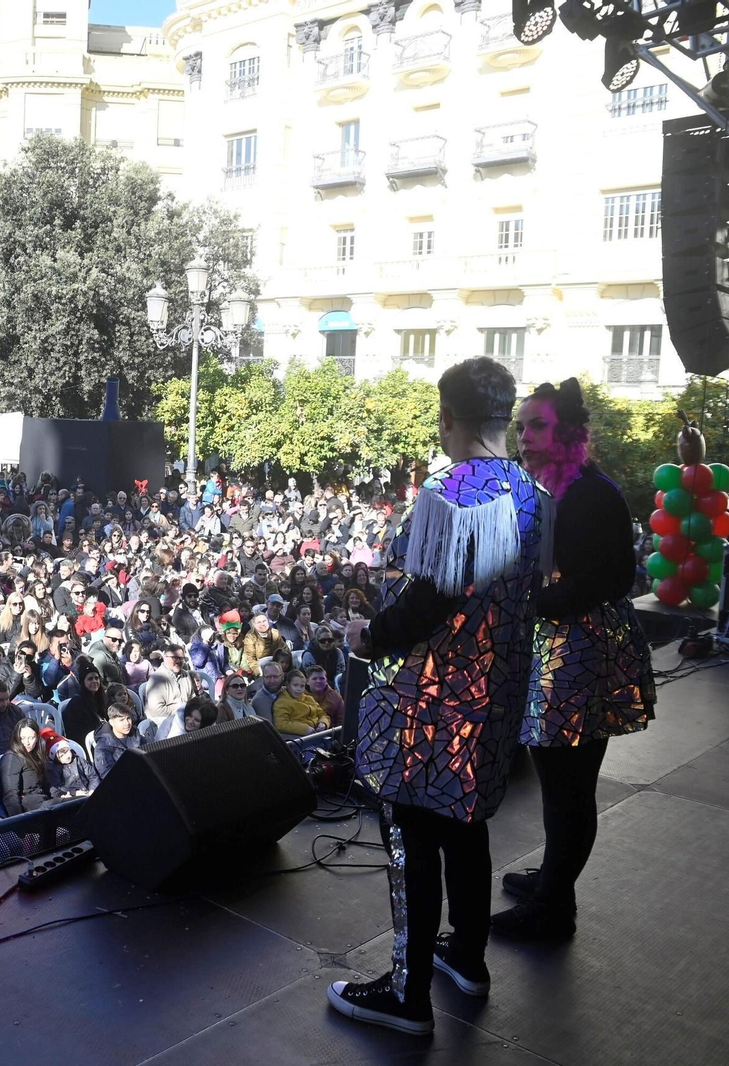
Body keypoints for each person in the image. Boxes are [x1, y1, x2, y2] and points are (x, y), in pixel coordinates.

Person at [328, 356, 548, 1036]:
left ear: (447, 417)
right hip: (500, 694)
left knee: (415, 837)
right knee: (467, 827)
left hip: (437, 697)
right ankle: (468, 960)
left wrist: (370, 636)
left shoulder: (448, 491)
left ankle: (407, 993)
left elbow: (429, 599)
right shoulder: (533, 491)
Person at [497, 379, 655, 940]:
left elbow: (615, 579)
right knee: (555, 782)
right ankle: (553, 878)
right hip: (551, 647)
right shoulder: (538, 490)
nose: (524, 437)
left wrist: (532, 600)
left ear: (568, 431)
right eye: (520, 427)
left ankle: (554, 907)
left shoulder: (594, 495)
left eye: (536, 425)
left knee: (570, 787)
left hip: (584, 652)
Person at [0, 718, 51, 816]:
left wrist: (62, 795)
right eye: (23, 738)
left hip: (42, 800)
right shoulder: (12, 758)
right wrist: (19, 822)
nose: (27, 742)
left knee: (74, 802)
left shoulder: (36, 754)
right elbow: (10, 795)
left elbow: (46, 785)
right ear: (17, 738)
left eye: (31, 738)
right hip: (28, 806)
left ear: (37, 737)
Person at [90, 703, 140, 779]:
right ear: (111, 722)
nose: (127, 723)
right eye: (121, 720)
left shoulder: (136, 735)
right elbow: (107, 773)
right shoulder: (103, 745)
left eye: (128, 718)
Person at [273, 669, 329, 736]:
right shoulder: (282, 702)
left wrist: (323, 723)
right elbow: (281, 724)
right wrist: (305, 729)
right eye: (295, 685)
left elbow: (322, 714)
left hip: (317, 733)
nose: (299, 689)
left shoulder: (309, 698)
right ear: (287, 685)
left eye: (302, 686)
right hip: (300, 737)